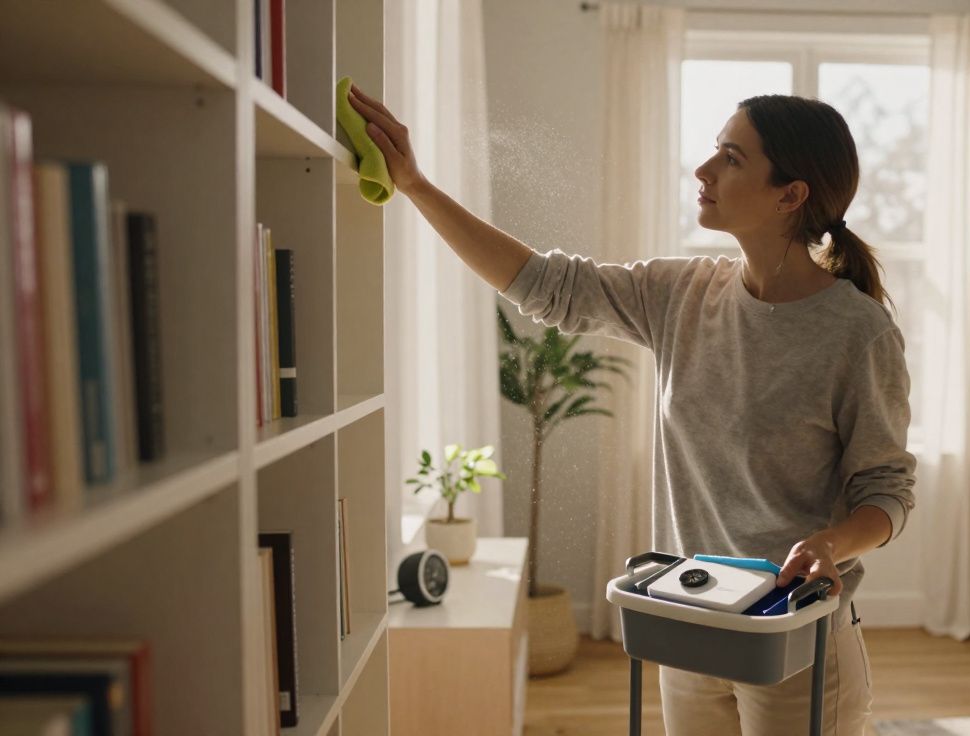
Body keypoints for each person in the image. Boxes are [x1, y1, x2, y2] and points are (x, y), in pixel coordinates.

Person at [347, 83, 916, 736]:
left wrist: (830, 543)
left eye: (731, 158)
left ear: (790, 195)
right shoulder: (681, 293)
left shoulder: (856, 332)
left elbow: (886, 492)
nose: (703, 171)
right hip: (691, 619)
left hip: (794, 636)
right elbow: (544, 286)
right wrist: (415, 185)